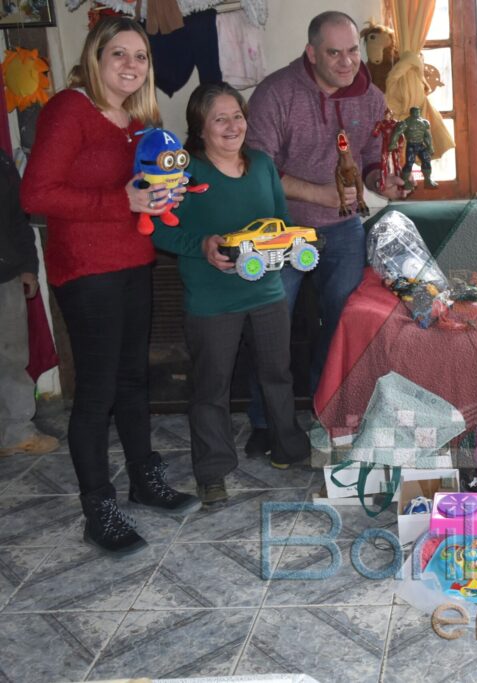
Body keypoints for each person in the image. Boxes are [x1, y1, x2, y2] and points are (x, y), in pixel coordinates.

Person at [20, 16, 200, 557]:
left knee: (133, 381)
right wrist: (116, 203)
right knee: (96, 393)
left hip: (133, 260)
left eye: (140, 56)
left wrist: (166, 194)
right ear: (95, 59)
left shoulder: (139, 118)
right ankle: (98, 509)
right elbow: (36, 195)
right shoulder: (69, 110)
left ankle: (145, 483)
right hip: (86, 269)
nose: (130, 65)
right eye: (118, 54)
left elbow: (143, 184)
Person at [243, 11, 406, 457]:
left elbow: (372, 158)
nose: (346, 62)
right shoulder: (275, 94)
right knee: (272, 329)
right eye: (334, 53)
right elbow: (259, 169)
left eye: (353, 50)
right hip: (281, 230)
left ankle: (326, 411)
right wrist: (319, 191)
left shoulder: (370, 97)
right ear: (312, 52)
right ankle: (264, 420)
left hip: (343, 230)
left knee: (340, 327)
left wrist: (382, 181)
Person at [151, 82, 311, 506]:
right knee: (211, 389)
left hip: (267, 293)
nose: (231, 125)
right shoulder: (185, 175)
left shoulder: (261, 164)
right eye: (219, 118)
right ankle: (212, 472)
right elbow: (163, 230)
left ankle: (288, 449)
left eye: (237, 115)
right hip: (211, 301)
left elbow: (281, 219)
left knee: (278, 376)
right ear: (199, 129)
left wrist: (291, 245)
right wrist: (202, 246)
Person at [0, 149, 60, 458]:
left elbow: (16, 217)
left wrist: (27, 267)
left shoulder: (1, 161)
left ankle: (15, 433)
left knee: (10, 359)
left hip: (5, 275)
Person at [390, 106, 438, 189]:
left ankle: (427, 180)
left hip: (421, 145)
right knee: (409, 163)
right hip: (411, 145)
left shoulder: (424, 122)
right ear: (411, 112)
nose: (417, 113)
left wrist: (430, 146)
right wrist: (393, 143)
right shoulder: (406, 122)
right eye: (415, 111)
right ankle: (405, 182)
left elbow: (427, 136)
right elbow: (397, 133)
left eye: (418, 111)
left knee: (426, 160)